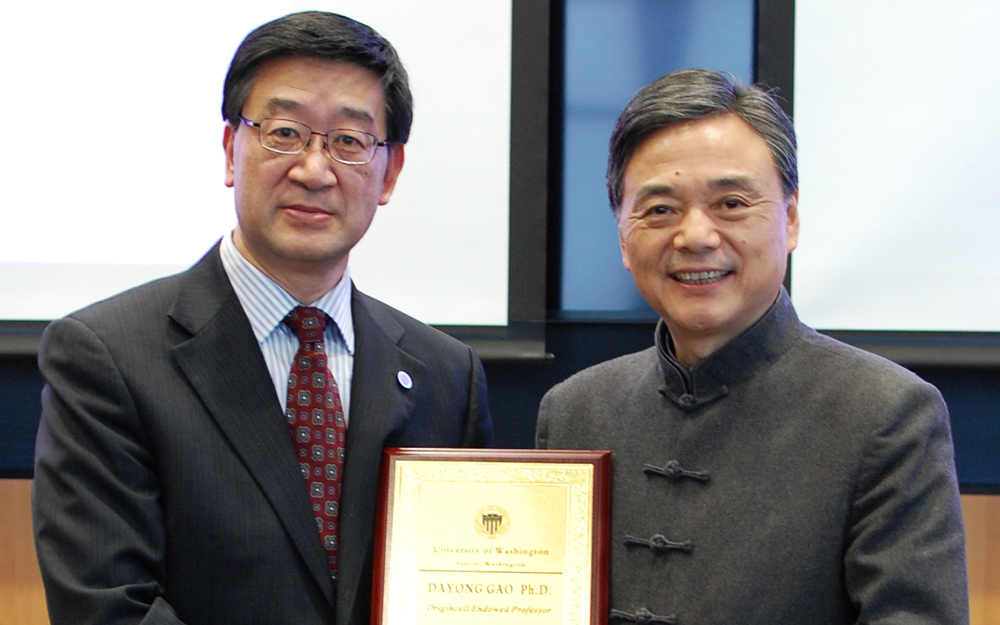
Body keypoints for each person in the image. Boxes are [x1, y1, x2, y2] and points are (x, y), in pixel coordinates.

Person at [32, 11, 492, 625]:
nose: (313, 169)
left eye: (349, 142)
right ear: (231, 149)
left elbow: (473, 590)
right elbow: (110, 608)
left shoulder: (447, 374)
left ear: (390, 173)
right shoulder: (106, 355)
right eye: (283, 132)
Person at [535, 69, 968, 624]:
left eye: (732, 203)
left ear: (789, 219)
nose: (695, 236)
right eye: (660, 209)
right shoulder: (574, 409)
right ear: (623, 235)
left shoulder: (886, 414)